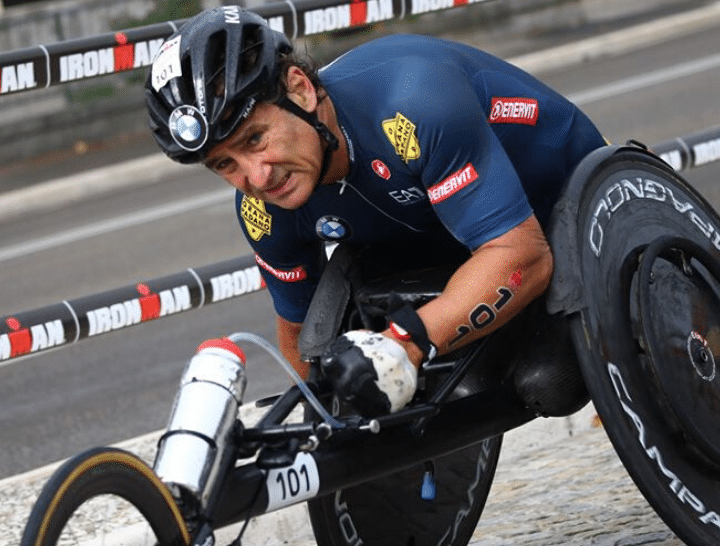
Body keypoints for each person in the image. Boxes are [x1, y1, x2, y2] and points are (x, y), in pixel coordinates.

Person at [145, 6, 607, 416]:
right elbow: (300, 331)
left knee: (549, 382)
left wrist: (404, 344)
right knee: (456, 394)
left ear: (301, 90)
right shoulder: (263, 208)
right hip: (450, 237)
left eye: (255, 139)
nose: (257, 177)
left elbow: (522, 254)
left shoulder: (412, 103)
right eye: (226, 164)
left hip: (569, 204)